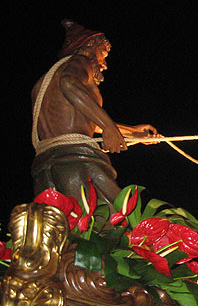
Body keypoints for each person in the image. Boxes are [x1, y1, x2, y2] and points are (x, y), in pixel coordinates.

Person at [31, 19, 157, 211]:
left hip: (45, 167)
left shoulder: (45, 81)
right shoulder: (79, 62)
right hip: (77, 162)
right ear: (90, 46)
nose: (104, 64)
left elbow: (85, 121)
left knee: (66, 232)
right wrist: (108, 127)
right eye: (103, 54)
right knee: (115, 221)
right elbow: (69, 84)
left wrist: (133, 133)